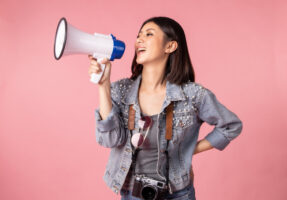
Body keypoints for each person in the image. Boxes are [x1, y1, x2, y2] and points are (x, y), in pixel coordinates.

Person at [88, 16, 243, 200]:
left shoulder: (192, 95)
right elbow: (110, 140)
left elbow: (231, 126)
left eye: (149, 34)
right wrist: (103, 85)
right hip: (132, 194)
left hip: (178, 194)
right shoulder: (120, 90)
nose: (139, 40)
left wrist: (189, 150)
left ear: (170, 46)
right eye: (138, 35)